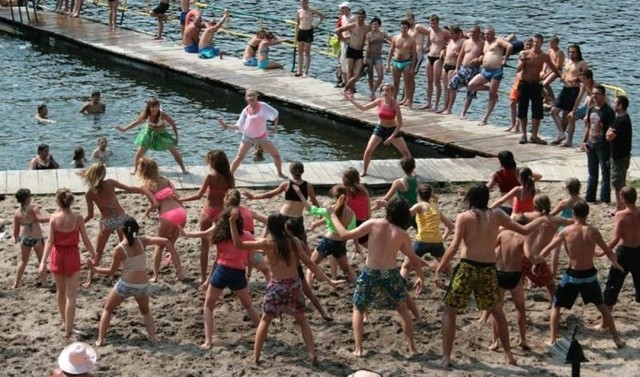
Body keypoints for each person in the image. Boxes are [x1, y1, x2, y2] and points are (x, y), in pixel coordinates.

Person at [434, 184, 547, 367]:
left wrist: (440, 268)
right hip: (488, 269)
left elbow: (454, 247)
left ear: (470, 198)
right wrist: (541, 219)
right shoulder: (497, 214)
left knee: (450, 310)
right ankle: (508, 354)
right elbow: (524, 230)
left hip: (468, 267)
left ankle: (446, 357)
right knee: (497, 311)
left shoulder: (464, 217)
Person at [228, 210, 342, 365]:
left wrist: (231, 223)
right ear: (284, 226)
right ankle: (312, 353)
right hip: (294, 284)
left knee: (265, 321)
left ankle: (256, 357)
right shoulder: (294, 241)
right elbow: (309, 263)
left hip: (277, 286)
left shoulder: (267, 243)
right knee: (302, 321)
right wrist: (328, 280)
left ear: (270, 227)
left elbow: (238, 244)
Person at [330, 197, 425, 357]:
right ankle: (412, 348)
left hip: (371, 272)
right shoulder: (402, 234)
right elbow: (414, 259)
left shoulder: (373, 223)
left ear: (388, 211)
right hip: (391, 274)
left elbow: (345, 234)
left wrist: (333, 215)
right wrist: (421, 276)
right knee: (402, 309)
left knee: (359, 308)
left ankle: (359, 349)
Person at [539, 201, 625, 348]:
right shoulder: (593, 231)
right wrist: (617, 265)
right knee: (603, 307)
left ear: (573, 214)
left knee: (556, 305)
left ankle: (553, 340)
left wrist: (537, 264)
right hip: (589, 276)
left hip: (572, 275)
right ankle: (616, 339)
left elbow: (546, 250)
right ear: (587, 214)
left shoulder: (566, 231)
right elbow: (608, 252)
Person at [80, 162, 158, 286]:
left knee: (98, 252)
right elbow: (129, 189)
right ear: (102, 174)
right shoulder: (110, 183)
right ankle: (129, 271)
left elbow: (90, 215)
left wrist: (78, 224)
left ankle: (89, 279)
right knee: (127, 247)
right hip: (122, 219)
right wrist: (143, 190)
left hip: (107, 222)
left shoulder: (89, 193)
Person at [194, 208, 261, 349]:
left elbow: (217, 259)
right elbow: (250, 259)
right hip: (238, 273)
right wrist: (249, 273)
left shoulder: (220, 238)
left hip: (222, 271)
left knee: (208, 306)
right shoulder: (248, 236)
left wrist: (208, 279)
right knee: (248, 305)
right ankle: (263, 333)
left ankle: (208, 341)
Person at [88, 217, 160, 346]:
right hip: (143, 285)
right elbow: (164, 240)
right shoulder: (142, 241)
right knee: (146, 312)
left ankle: (100, 339)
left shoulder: (119, 249)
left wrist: (94, 269)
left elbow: (111, 271)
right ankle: (153, 338)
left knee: (108, 309)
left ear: (122, 231)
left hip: (126, 284)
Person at [39, 189, 96, 338]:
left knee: (61, 291)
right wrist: (94, 253)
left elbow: (50, 241)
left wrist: (43, 261)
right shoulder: (78, 218)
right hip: (72, 254)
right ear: (71, 201)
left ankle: (65, 322)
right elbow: (85, 239)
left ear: (58, 201)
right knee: (71, 295)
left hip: (57, 255)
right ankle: (69, 329)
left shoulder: (53, 218)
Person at [180, 150, 235, 284]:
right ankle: (214, 276)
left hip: (208, 212)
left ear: (213, 163)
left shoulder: (210, 176)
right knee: (220, 248)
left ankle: (203, 277)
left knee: (204, 246)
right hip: (222, 212)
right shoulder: (230, 177)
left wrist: (182, 199)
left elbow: (198, 195)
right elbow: (232, 197)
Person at [344, 83, 412, 177]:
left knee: (406, 152)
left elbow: (399, 123)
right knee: (368, 150)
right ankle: (364, 170)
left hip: (392, 129)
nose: (385, 92)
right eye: (383, 90)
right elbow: (363, 108)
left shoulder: (395, 105)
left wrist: (392, 137)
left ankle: (411, 171)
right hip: (380, 128)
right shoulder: (379, 101)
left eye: (387, 90)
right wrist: (351, 100)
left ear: (392, 92)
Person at [136, 157, 186, 282]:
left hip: (168, 216)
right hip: (181, 213)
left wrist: (148, 210)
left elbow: (156, 204)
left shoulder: (146, 185)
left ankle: (155, 275)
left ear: (143, 171)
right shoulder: (167, 180)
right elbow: (176, 196)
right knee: (170, 245)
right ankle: (180, 273)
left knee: (159, 246)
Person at [295, 184, 357, 284]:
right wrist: (357, 245)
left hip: (328, 241)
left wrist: (300, 194)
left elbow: (310, 209)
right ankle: (359, 288)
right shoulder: (351, 213)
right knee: (348, 270)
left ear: (335, 196)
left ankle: (309, 294)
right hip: (341, 243)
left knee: (311, 268)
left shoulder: (330, 209)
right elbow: (352, 230)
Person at [218, 89, 286, 178]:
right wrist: (226, 125)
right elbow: (238, 126)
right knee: (239, 157)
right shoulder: (245, 111)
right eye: (249, 95)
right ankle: (229, 176)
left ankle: (280, 173)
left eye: (253, 95)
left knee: (276, 155)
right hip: (248, 137)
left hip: (262, 137)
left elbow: (275, 114)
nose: (252, 97)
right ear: (246, 98)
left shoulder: (263, 106)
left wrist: (274, 128)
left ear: (257, 97)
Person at [484, 216, 529, 351]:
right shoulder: (524, 238)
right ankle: (523, 340)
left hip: (500, 274)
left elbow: (490, 249)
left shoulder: (503, 234)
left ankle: (495, 341)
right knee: (520, 308)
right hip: (515, 276)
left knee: (496, 310)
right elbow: (528, 256)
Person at [599, 187, 640, 326]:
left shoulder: (621, 215)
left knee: (613, 285)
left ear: (622, 198)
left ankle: (605, 323)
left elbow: (616, 238)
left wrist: (604, 251)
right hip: (638, 251)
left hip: (624, 253)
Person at [116, 97, 188, 175]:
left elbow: (173, 123)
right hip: (149, 133)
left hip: (162, 133)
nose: (155, 109)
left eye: (156, 107)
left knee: (174, 151)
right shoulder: (146, 114)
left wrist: (176, 137)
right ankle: (135, 170)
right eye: (152, 107)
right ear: (149, 107)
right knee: (140, 151)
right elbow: (136, 122)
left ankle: (183, 168)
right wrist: (124, 129)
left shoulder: (162, 115)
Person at [521, 195, 572, 302]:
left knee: (516, 284)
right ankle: (554, 306)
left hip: (522, 256)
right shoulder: (556, 220)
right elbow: (573, 221)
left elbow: (515, 219)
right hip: (536, 259)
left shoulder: (529, 216)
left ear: (534, 206)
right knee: (550, 284)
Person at [516, 34, 562, 144]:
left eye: (539, 42)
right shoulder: (525, 53)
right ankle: (523, 135)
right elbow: (518, 69)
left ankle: (534, 136)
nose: (536, 44)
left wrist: (560, 75)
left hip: (536, 84)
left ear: (542, 43)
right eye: (535, 42)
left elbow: (553, 66)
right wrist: (523, 61)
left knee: (537, 110)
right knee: (522, 109)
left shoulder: (544, 55)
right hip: (524, 83)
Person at [402, 183, 454, 277]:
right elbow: (450, 226)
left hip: (422, 241)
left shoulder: (419, 205)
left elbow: (405, 215)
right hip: (436, 241)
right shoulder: (436, 208)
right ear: (431, 195)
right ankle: (453, 280)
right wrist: (443, 238)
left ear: (418, 195)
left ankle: (401, 286)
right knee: (445, 265)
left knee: (406, 266)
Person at [466, 27, 513, 125]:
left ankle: (485, 118)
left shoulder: (498, 41)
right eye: (485, 34)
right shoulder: (485, 43)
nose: (486, 36)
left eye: (489, 34)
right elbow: (486, 54)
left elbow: (509, 46)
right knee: (471, 85)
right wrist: (479, 59)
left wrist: (505, 60)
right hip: (485, 70)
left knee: (491, 96)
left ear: (493, 34)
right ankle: (491, 89)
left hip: (496, 71)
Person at [550, 44, 588, 145]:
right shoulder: (567, 61)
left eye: (574, 52)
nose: (571, 54)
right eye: (570, 52)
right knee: (554, 111)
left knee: (566, 115)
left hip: (573, 90)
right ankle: (561, 133)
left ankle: (566, 139)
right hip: (565, 88)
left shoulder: (581, 63)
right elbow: (564, 72)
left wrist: (576, 79)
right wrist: (562, 76)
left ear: (578, 52)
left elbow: (587, 76)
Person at [583, 84, 616, 204]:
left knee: (605, 173)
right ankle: (590, 197)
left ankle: (604, 198)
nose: (594, 96)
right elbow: (587, 126)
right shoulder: (592, 108)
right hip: (591, 144)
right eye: (593, 93)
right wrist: (584, 142)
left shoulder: (608, 111)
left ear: (603, 95)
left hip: (603, 146)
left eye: (597, 94)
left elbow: (612, 129)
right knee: (592, 172)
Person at [444, 25, 483, 118]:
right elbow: (461, 56)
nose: (472, 34)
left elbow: (484, 55)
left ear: (478, 33)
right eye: (471, 32)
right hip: (463, 68)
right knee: (451, 85)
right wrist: (457, 68)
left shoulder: (482, 43)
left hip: (473, 69)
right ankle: (449, 109)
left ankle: (463, 113)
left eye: (474, 32)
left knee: (470, 91)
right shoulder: (466, 42)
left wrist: (479, 59)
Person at [12, 188, 49, 288]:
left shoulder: (17, 212)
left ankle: (16, 283)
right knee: (41, 260)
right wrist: (53, 217)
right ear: (27, 198)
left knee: (23, 261)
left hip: (24, 238)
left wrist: (16, 238)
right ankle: (44, 282)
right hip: (36, 238)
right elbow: (40, 219)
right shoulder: (33, 208)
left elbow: (16, 228)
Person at [606, 95, 632, 212]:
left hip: (619, 156)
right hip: (622, 155)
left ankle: (619, 207)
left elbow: (609, 137)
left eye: (614, 102)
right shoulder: (622, 118)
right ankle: (622, 205)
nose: (612, 103)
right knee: (620, 182)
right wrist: (609, 132)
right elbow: (609, 133)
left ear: (620, 105)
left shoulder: (622, 121)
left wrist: (608, 133)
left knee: (617, 184)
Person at [336, 8, 370, 95]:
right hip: (351, 49)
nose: (361, 19)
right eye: (359, 17)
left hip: (359, 51)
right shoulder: (353, 25)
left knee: (357, 74)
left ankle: (347, 88)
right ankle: (350, 91)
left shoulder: (367, 27)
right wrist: (344, 40)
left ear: (365, 17)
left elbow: (376, 32)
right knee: (350, 71)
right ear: (357, 17)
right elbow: (338, 31)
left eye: (362, 17)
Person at [505, 38, 534, 132]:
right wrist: (523, 60)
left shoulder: (534, 56)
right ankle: (513, 124)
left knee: (521, 104)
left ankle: (517, 125)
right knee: (512, 103)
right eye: (526, 45)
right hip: (517, 80)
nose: (528, 47)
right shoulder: (521, 54)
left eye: (530, 45)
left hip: (526, 81)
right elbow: (518, 69)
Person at [386, 20, 417, 108]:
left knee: (408, 83)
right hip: (396, 62)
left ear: (408, 29)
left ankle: (409, 101)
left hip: (406, 62)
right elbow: (391, 50)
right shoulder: (396, 37)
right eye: (402, 28)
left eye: (405, 28)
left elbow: (414, 54)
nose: (403, 29)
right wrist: (388, 63)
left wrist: (413, 67)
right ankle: (393, 101)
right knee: (396, 83)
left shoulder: (411, 40)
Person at [342, 166, 371, 253]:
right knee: (365, 242)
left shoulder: (346, 193)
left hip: (350, 221)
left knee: (340, 241)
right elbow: (368, 209)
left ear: (345, 180)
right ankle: (378, 254)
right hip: (362, 221)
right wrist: (367, 219)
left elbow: (342, 208)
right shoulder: (364, 191)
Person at [422, 14, 447, 112]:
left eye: (434, 24)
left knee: (436, 81)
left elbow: (451, 41)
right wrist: (426, 48)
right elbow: (429, 43)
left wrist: (444, 49)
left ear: (438, 23)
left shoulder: (444, 32)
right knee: (429, 80)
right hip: (430, 55)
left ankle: (436, 104)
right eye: (431, 23)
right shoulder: (430, 31)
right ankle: (428, 102)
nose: (433, 26)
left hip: (438, 57)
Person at [567, 69, 596, 148]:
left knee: (587, 122)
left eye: (583, 79)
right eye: (581, 79)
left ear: (589, 79)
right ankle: (569, 141)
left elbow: (592, 102)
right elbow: (579, 98)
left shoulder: (595, 87)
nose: (582, 81)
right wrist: (573, 111)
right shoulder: (584, 85)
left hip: (596, 107)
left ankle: (583, 144)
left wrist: (586, 115)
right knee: (571, 117)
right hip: (588, 106)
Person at [438, 24, 464, 115]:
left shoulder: (461, 42)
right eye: (450, 33)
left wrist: (458, 54)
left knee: (451, 88)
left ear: (457, 34)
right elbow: (447, 49)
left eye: (452, 33)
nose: (450, 35)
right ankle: (445, 107)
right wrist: (443, 51)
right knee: (445, 88)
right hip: (446, 65)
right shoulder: (450, 41)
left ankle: (449, 108)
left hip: (453, 67)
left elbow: (464, 54)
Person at [295, 0, 324, 77]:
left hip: (308, 31)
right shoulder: (299, 11)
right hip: (301, 31)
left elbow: (322, 15)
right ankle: (299, 70)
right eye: (302, 3)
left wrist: (316, 25)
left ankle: (306, 72)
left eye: (305, 3)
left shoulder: (311, 10)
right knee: (300, 52)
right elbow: (298, 21)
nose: (303, 4)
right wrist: (299, 27)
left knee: (307, 52)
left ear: (307, 3)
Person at [364, 17, 389, 100]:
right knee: (370, 76)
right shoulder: (369, 34)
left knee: (380, 76)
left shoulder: (382, 33)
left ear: (379, 25)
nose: (375, 25)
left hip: (378, 57)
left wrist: (394, 45)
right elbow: (367, 47)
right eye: (373, 24)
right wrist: (365, 58)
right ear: (371, 25)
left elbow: (390, 39)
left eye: (376, 24)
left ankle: (372, 91)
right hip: (370, 57)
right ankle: (372, 94)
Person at [541, 36, 565, 106]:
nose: (551, 45)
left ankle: (553, 99)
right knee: (536, 82)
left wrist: (547, 74)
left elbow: (557, 66)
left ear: (557, 43)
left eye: (552, 44)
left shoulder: (560, 52)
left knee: (545, 84)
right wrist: (543, 71)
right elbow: (546, 61)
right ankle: (546, 97)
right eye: (550, 43)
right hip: (549, 69)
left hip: (557, 71)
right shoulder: (549, 50)